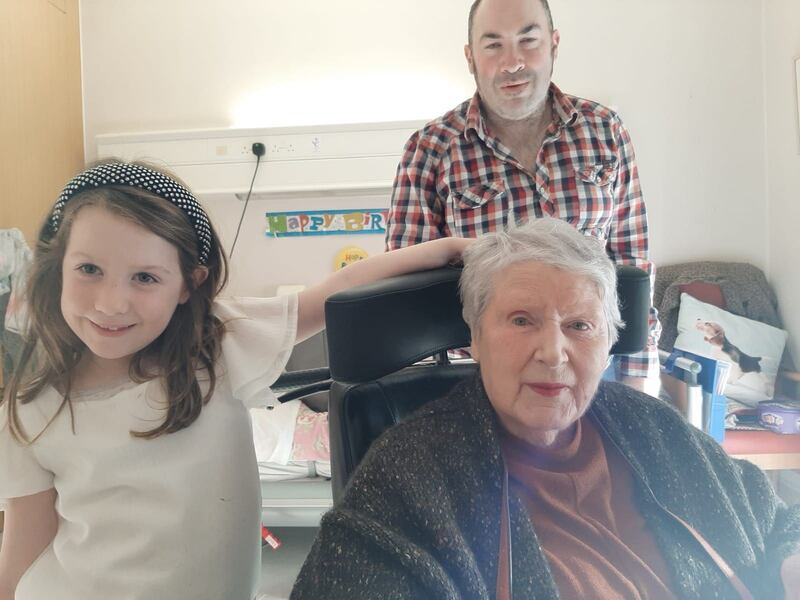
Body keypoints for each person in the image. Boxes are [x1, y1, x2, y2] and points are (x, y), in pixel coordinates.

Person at [0, 161, 470, 600]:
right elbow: (24, 546)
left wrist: (449, 249)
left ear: (188, 284)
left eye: (144, 277)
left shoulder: (215, 349)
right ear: (57, 266)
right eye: (89, 269)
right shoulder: (30, 408)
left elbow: (332, 293)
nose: (110, 303)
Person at [292, 218, 800, 600]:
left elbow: (777, 520)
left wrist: (790, 561)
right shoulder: (411, 471)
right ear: (475, 338)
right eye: (521, 320)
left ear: (609, 343)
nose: (553, 353)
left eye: (580, 325)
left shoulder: (653, 426)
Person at [385, 0, 658, 391]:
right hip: (478, 379)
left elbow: (633, 262)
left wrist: (638, 383)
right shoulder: (431, 149)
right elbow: (405, 294)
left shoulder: (605, 131)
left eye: (528, 41)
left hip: (594, 372)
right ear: (471, 57)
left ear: (554, 44)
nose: (512, 63)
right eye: (493, 45)